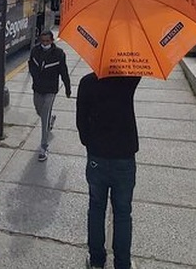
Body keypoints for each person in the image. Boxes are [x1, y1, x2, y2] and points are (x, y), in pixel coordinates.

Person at [76, 72, 142, 269]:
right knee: (122, 212)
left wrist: (90, 143)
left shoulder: (87, 81)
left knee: (96, 208)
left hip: (97, 155)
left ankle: (97, 260)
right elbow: (140, 66)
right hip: (124, 155)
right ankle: (122, 263)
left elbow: (81, 120)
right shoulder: (128, 79)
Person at [28, 29, 72, 161]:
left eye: (47, 41)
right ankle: (50, 119)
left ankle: (44, 146)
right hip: (37, 88)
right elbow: (31, 64)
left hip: (50, 89)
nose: (45, 43)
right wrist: (35, 76)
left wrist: (68, 89)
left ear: (52, 41)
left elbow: (64, 71)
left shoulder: (59, 54)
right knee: (39, 110)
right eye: (43, 41)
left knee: (44, 118)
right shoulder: (35, 51)